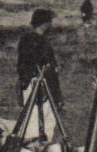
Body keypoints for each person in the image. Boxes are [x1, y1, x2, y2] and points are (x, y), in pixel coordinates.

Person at [16, 8, 63, 139]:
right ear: (45, 23)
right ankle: (31, 148)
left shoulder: (33, 40)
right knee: (33, 118)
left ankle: (42, 148)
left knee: (45, 118)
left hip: (42, 84)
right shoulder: (32, 40)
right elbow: (30, 63)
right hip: (36, 83)